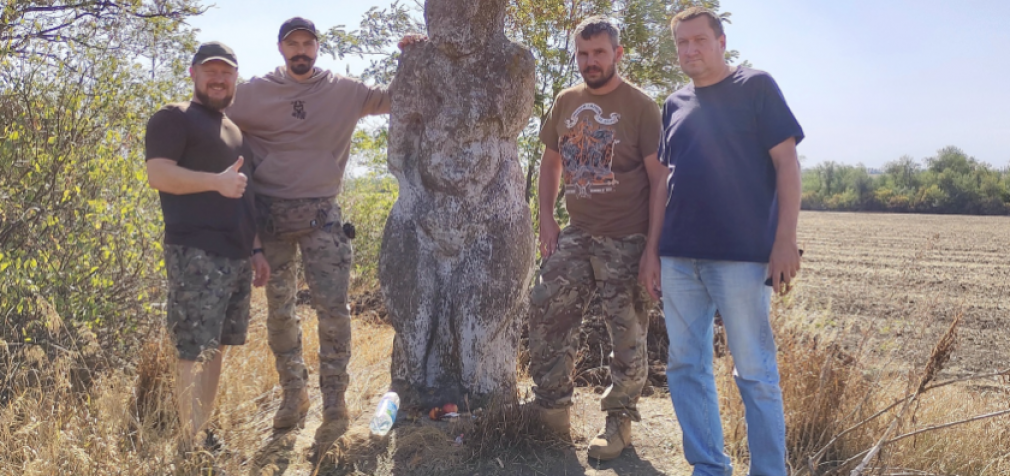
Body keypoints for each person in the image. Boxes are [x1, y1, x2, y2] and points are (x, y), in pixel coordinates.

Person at [224, 17, 421, 450]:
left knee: (334, 312)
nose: (301, 51)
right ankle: (293, 396)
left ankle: (335, 402)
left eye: (307, 44)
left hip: (322, 218)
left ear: (318, 47)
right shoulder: (253, 92)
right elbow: (212, 116)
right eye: (292, 44)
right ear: (280, 48)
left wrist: (410, 56)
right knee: (279, 313)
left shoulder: (344, 91)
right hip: (269, 219)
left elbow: (395, 100)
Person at [639, 7, 805, 476]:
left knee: (755, 374)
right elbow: (663, 184)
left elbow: (787, 163)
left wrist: (784, 241)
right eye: (681, 44)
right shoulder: (674, 103)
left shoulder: (756, 87)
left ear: (720, 41)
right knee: (685, 367)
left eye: (698, 41)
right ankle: (709, 467)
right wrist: (653, 250)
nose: (689, 50)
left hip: (740, 258)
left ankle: (769, 471)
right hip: (678, 258)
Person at [529, 16, 666, 462]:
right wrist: (547, 218)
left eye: (599, 53)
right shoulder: (566, 101)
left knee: (625, 334)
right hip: (578, 233)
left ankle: (619, 423)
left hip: (627, 237)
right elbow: (551, 165)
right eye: (583, 54)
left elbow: (659, 181)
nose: (590, 62)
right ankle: (552, 413)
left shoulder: (642, 106)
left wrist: (652, 249)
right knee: (547, 310)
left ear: (617, 54)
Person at [144, 41, 270, 450]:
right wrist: (214, 181)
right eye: (210, 70)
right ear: (193, 73)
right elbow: (159, 174)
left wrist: (255, 250)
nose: (218, 78)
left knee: (214, 348)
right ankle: (187, 440)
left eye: (226, 72)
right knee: (192, 349)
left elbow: (243, 196)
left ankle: (201, 432)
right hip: (195, 251)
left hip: (235, 256)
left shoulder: (234, 130)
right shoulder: (174, 117)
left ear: (236, 78)